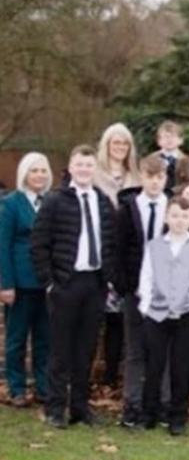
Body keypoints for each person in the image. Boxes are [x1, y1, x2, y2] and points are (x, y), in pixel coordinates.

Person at [31, 145, 118, 428]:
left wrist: (108, 279)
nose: (84, 170)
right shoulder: (57, 200)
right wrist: (49, 282)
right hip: (65, 283)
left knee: (86, 349)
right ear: (71, 167)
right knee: (61, 350)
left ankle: (80, 407)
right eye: (80, 165)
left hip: (94, 283)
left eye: (89, 165)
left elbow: (111, 243)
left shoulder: (103, 201)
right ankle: (56, 408)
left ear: (95, 169)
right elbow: (39, 243)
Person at [137, 196, 189, 436]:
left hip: (187, 313)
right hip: (157, 314)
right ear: (167, 218)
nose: (179, 220)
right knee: (154, 366)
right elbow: (146, 277)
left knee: (182, 368)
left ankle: (178, 417)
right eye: (175, 215)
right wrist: (146, 307)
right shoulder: (155, 245)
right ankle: (149, 413)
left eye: (184, 216)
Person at [114, 155, 169, 428]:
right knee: (135, 350)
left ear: (165, 179)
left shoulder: (173, 209)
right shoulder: (128, 209)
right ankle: (132, 406)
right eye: (150, 176)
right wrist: (125, 285)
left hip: (166, 290)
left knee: (163, 350)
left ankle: (162, 404)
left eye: (160, 177)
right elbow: (118, 250)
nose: (155, 182)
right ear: (142, 177)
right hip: (135, 289)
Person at [0, 152, 53, 407]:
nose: (39, 175)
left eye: (43, 170)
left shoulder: (51, 202)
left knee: (45, 339)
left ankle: (43, 387)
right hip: (19, 284)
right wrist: (5, 284)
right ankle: (17, 388)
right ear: (24, 174)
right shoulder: (11, 203)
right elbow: (3, 245)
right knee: (16, 339)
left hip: (47, 283)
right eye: (34, 170)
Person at [94, 122, 141, 388]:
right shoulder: (95, 175)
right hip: (98, 251)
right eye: (116, 143)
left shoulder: (135, 176)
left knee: (118, 319)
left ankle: (114, 374)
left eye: (125, 143)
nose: (120, 148)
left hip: (123, 253)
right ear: (107, 145)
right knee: (95, 317)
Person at [147, 120, 189, 195]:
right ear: (159, 141)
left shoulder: (186, 160)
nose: (169, 140)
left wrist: (172, 191)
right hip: (155, 195)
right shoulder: (152, 158)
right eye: (166, 136)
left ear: (181, 140)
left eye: (173, 136)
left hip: (178, 197)